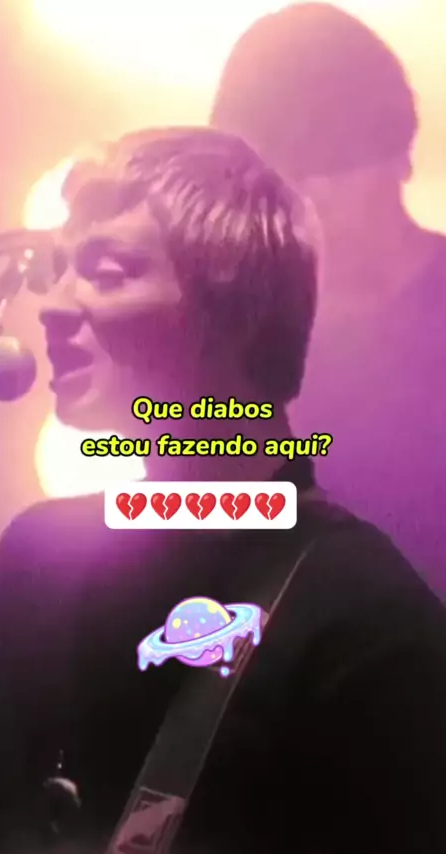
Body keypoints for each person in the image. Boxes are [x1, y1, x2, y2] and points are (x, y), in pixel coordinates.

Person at [0, 126, 446, 854]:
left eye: (108, 271)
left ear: (236, 311)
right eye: (59, 271)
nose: (53, 305)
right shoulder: (33, 556)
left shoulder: (366, 616)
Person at [211, 2, 446, 597]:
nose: (312, 193)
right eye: (286, 170)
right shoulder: (242, 340)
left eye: (336, 159)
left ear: (398, 150)